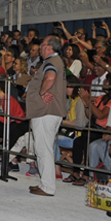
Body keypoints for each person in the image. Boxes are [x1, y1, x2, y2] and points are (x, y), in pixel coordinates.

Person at [27, 35, 67, 196]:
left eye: (42, 45)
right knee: (42, 148)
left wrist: (41, 92)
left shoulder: (51, 62)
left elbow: (50, 78)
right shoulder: (55, 61)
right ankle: (45, 183)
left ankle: (48, 187)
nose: (40, 48)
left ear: (49, 47)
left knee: (44, 149)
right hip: (48, 112)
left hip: (46, 111)